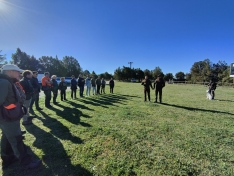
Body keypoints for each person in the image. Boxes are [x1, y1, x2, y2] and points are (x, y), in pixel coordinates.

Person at [0, 64, 42, 169]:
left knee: (6, 138)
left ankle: (8, 159)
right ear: (9, 71)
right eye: (17, 71)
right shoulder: (4, 82)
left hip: (7, 117)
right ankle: (26, 162)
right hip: (7, 117)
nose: (20, 73)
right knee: (16, 139)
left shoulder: (7, 81)